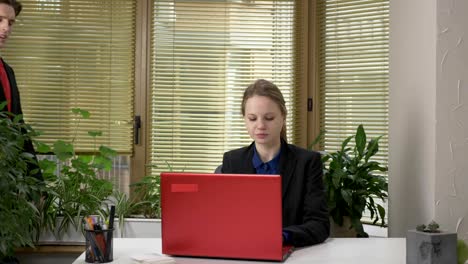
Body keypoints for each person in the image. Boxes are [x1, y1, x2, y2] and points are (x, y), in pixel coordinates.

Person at [221, 79, 329, 247]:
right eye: (252, 118)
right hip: (242, 251)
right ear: (244, 119)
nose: (260, 125)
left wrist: (282, 236)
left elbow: (319, 225)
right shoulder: (232, 161)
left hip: (294, 254)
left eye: (269, 118)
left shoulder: (307, 162)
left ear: (283, 116)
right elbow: (224, 220)